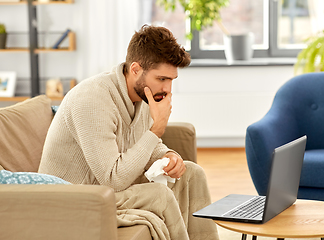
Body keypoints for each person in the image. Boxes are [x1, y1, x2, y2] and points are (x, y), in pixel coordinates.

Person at [38, 25, 219, 240]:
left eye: (171, 80)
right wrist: (157, 128)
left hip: (105, 188)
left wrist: (168, 155)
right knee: (159, 195)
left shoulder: (143, 96)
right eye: (162, 79)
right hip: (75, 198)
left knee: (192, 173)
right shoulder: (91, 100)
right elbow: (113, 180)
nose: (168, 89)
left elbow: (144, 143)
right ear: (135, 69)